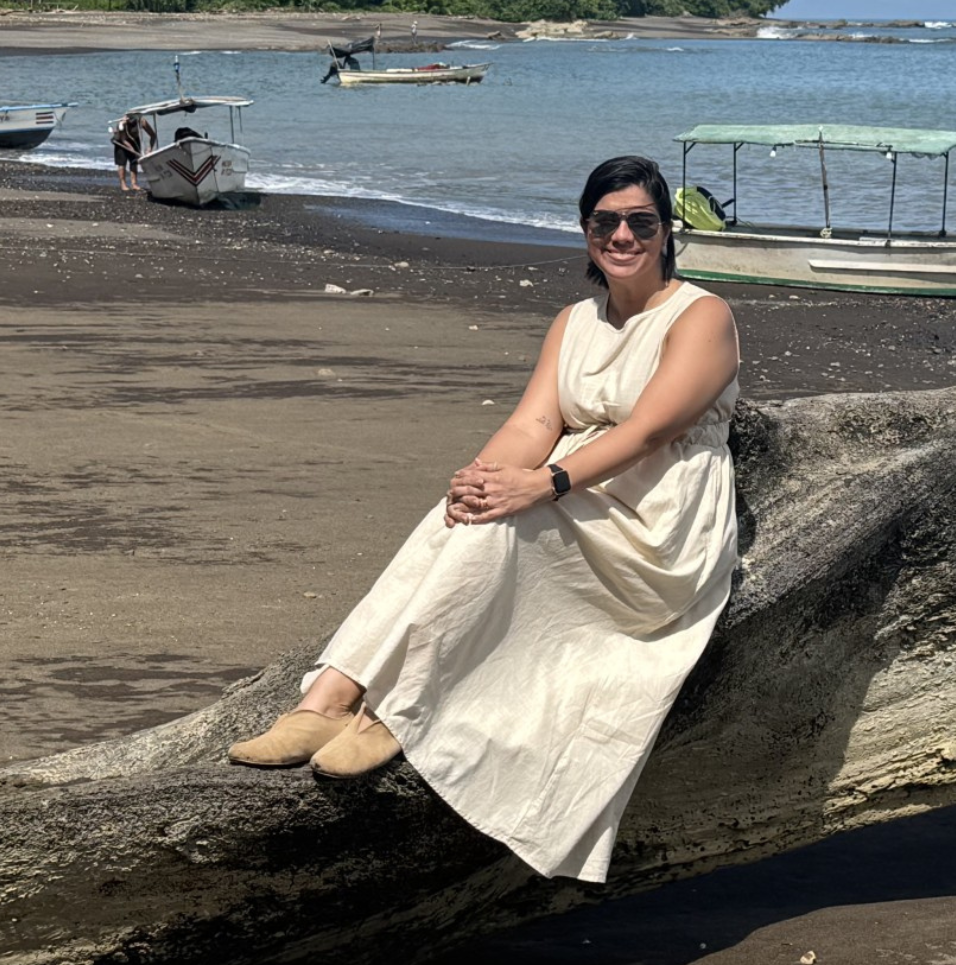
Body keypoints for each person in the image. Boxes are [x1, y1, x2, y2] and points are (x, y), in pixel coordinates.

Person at [229, 154, 740, 885]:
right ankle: (328, 700)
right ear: (585, 229)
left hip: (658, 519)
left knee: (508, 527)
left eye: (640, 222)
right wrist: (482, 477)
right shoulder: (576, 321)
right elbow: (535, 419)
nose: (622, 235)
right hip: (580, 485)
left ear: (665, 232)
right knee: (455, 517)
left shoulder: (702, 315)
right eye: (605, 221)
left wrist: (544, 484)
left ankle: (399, 713)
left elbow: (649, 431)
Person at [111, 112, 154, 193]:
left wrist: (149, 148)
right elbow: (123, 139)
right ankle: (123, 184)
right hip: (120, 142)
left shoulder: (141, 121)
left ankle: (134, 184)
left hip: (134, 140)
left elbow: (153, 135)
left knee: (134, 162)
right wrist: (132, 150)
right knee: (122, 163)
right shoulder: (122, 124)